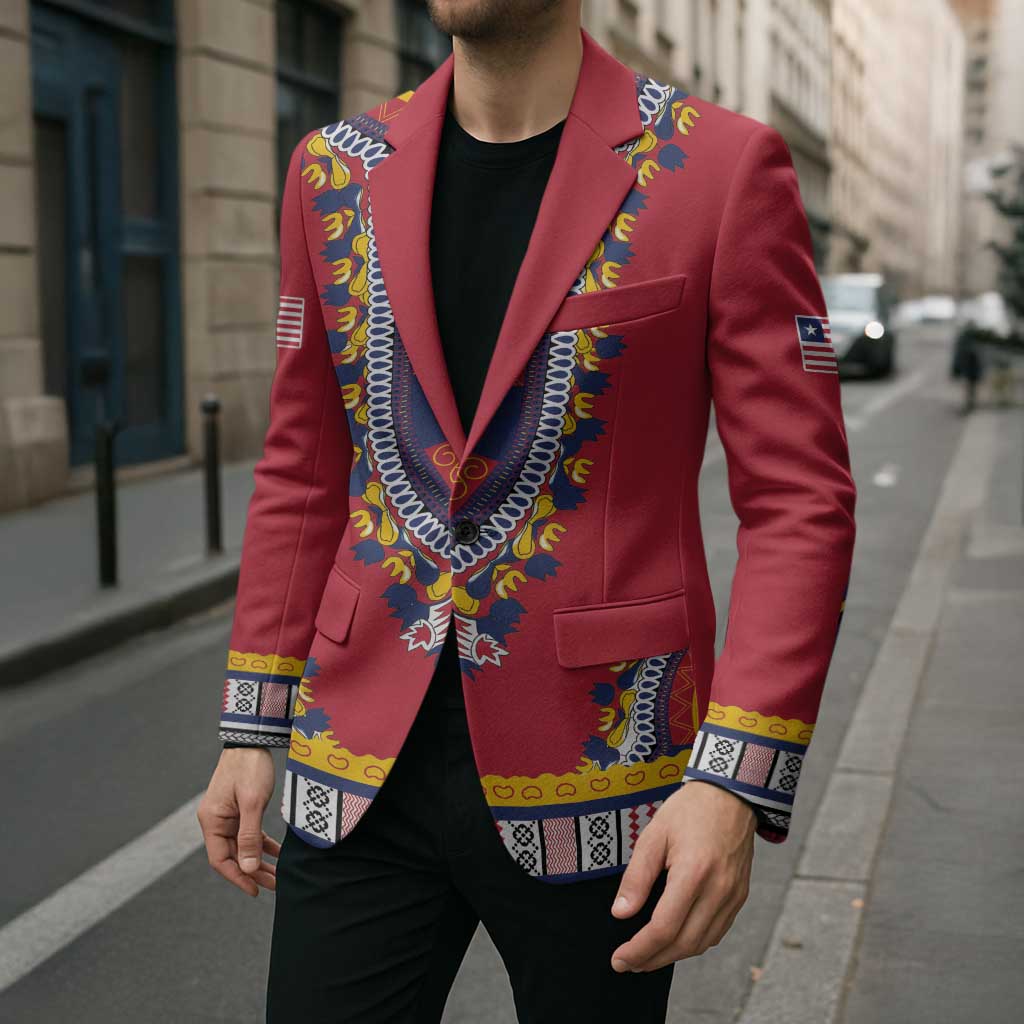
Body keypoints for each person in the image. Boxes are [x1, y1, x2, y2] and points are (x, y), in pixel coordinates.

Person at [197, 2, 857, 1020]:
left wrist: (731, 780)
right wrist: (252, 721)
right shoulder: (333, 170)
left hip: (606, 768)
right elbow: (300, 466)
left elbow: (797, 498)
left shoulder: (718, 168)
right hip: (355, 759)